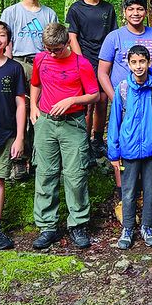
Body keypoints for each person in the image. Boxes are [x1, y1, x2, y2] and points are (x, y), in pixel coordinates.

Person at [98, 0, 152, 222]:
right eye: (131, 9)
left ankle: (146, 205)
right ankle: (125, 202)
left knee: (149, 155)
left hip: (151, 102)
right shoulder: (114, 37)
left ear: (145, 11)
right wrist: (116, 99)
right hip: (124, 102)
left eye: (140, 9)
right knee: (124, 152)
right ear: (124, 12)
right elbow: (102, 71)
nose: (135, 13)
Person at [30, 23, 99, 250]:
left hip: (73, 124)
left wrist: (72, 100)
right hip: (46, 123)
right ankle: (46, 225)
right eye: (48, 48)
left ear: (67, 43)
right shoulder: (41, 59)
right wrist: (33, 106)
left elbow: (94, 95)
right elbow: (35, 84)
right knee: (45, 173)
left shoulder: (82, 64)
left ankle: (77, 224)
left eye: (56, 49)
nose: (51, 53)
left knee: (75, 175)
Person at [108, 45, 152, 249]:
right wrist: (114, 151)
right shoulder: (123, 89)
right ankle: (127, 228)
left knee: (150, 189)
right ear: (128, 63)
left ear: (150, 62)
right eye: (134, 62)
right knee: (128, 190)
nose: (138, 66)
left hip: (151, 149)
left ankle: (147, 226)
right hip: (129, 148)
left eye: (142, 61)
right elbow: (115, 120)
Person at [1, 0, 58, 180]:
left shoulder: (49, 13)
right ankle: (17, 160)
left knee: (42, 111)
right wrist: (8, 65)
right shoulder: (11, 12)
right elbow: (6, 40)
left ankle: (37, 158)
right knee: (20, 110)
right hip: (18, 61)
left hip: (43, 62)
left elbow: (52, 42)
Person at [66, 0, 118, 159]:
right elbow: (72, 37)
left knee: (103, 100)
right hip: (85, 60)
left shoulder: (108, 8)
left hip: (105, 60)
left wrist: (111, 60)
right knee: (88, 102)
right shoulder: (76, 9)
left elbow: (113, 36)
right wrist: (81, 62)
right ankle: (84, 142)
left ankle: (97, 140)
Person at [0, 20, 26, 249]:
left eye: (1, 35)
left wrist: (20, 137)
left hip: (5, 133)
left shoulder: (14, 68)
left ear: (8, 40)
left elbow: (21, 104)